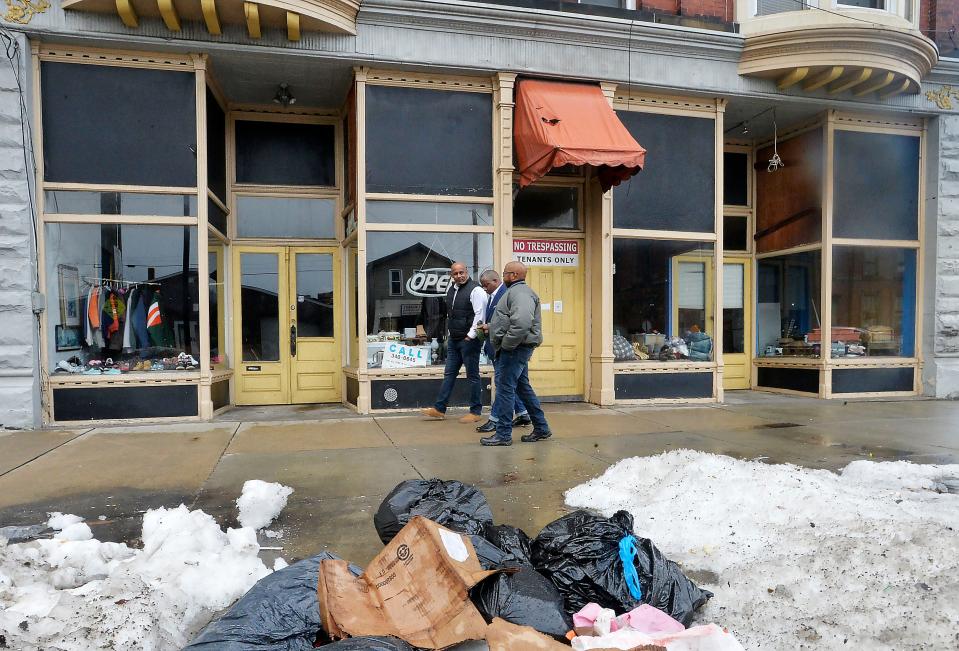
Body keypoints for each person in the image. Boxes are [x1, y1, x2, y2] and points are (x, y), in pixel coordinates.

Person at [481, 261, 552, 446]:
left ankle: (503, 435)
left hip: (514, 350)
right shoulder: (516, 293)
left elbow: (521, 324)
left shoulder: (519, 293)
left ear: (513, 275)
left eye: (505, 273)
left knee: (505, 390)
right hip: (517, 348)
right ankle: (542, 428)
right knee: (523, 388)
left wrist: (506, 345)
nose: (503, 276)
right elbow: (510, 321)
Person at [421, 262, 486, 423]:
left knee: (473, 376)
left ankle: (476, 412)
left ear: (467, 271)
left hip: (468, 340)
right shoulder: (452, 289)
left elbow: (480, 315)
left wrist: (470, 336)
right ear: (452, 275)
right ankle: (439, 409)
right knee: (449, 374)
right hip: (454, 339)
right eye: (455, 273)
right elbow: (451, 314)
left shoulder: (476, 290)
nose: (459, 276)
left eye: (461, 272)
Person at [475, 269, 531, 433]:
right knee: (520, 384)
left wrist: (504, 344)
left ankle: (495, 419)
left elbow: (515, 324)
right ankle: (524, 413)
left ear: (495, 280)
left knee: (503, 385)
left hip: (507, 350)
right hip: (506, 348)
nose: (485, 289)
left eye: (486, 285)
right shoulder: (495, 296)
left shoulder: (507, 294)